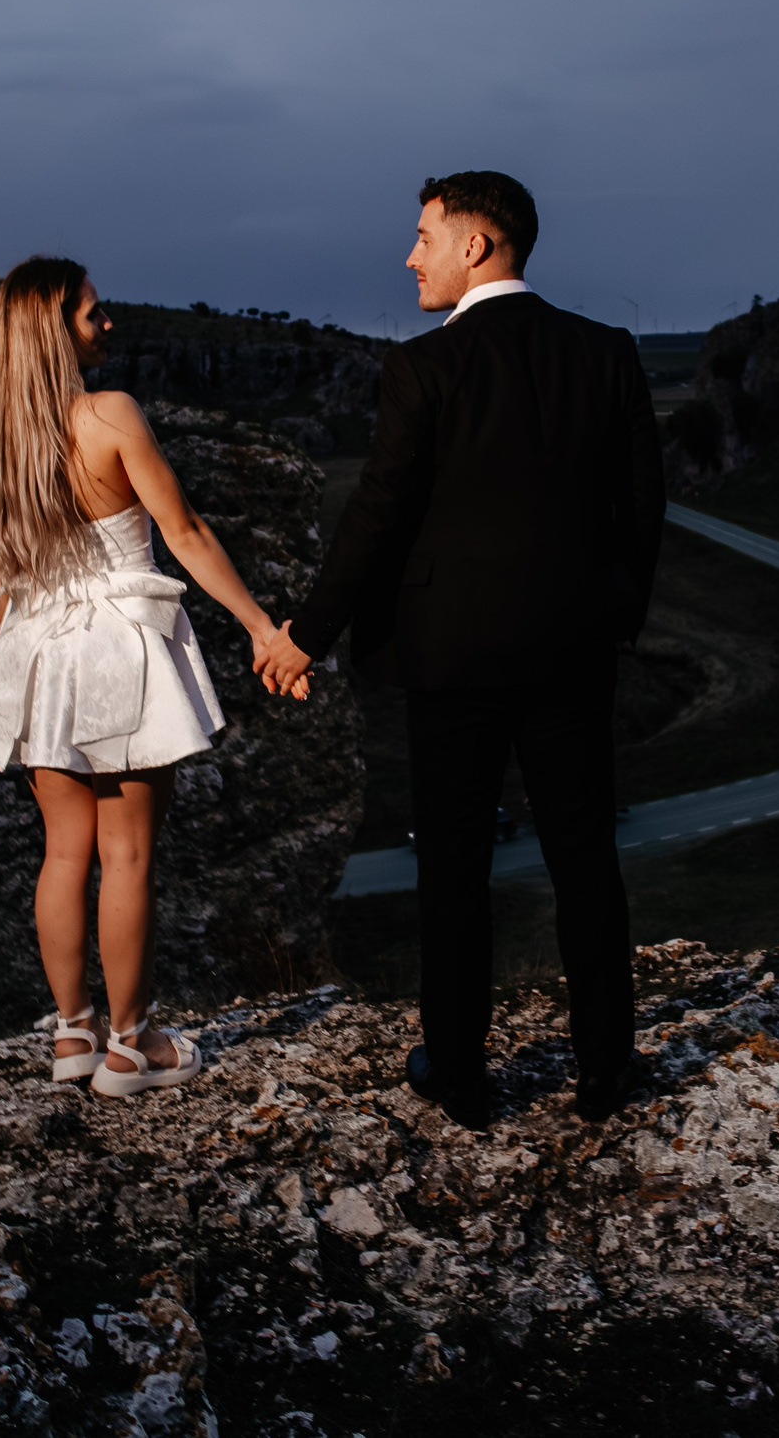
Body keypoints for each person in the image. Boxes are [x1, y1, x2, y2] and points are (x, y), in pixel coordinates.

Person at [257, 172, 665, 1123]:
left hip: (452, 658)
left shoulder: (422, 369)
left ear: (477, 245)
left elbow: (376, 521)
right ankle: (606, 1068)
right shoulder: (606, 352)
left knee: (453, 867)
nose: (411, 256)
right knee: (584, 857)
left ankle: (461, 1072)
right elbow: (638, 509)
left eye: (423, 237)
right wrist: (611, 616)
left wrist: (304, 636)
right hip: (573, 651)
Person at [0, 256, 304, 1098]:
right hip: (120, 648)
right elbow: (183, 529)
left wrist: (28, 661)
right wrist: (260, 626)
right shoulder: (109, 414)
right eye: (92, 315)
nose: (109, 325)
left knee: (62, 850)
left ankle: (72, 1032)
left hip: (39, 648)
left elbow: (0, 582)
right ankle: (131, 1047)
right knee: (129, 850)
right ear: (54, 332)